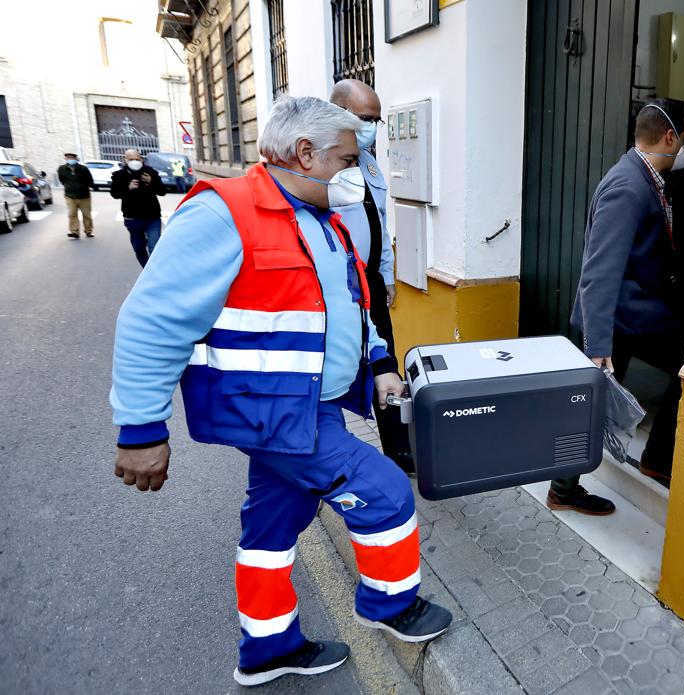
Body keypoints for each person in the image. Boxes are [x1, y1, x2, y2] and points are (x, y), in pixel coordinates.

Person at [110, 96, 451, 687]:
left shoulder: (323, 218)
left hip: (311, 408)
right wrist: (141, 430)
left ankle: (267, 647)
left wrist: (379, 364)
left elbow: (352, 303)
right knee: (387, 496)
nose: (354, 172)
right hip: (272, 414)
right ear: (305, 153)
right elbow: (151, 321)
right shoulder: (223, 214)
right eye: (347, 159)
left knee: (274, 524)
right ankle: (392, 606)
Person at [560, 99, 684, 509]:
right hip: (615, 321)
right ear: (669, 137)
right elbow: (599, 270)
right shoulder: (629, 185)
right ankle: (563, 487)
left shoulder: (644, 177)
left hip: (632, 316)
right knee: (589, 405)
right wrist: (598, 347)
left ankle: (655, 458)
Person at [329, 78, 413, 475]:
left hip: (371, 283)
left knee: (386, 361)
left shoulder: (369, 161)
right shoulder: (321, 162)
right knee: (337, 363)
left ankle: (398, 449)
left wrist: (387, 276)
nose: (371, 128)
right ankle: (331, 451)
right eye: (365, 118)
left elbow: (379, 221)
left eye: (376, 121)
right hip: (336, 284)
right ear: (337, 113)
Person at [110, 149, 167, 267]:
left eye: (137, 159)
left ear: (141, 159)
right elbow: (115, 194)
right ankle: (146, 268)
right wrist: (128, 188)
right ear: (125, 160)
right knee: (139, 247)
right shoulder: (120, 175)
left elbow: (162, 191)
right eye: (131, 159)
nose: (135, 162)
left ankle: (154, 271)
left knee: (154, 246)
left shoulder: (150, 172)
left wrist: (152, 182)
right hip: (132, 218)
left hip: (152, 217)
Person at [57, 152, 94, 239]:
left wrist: (84, 187)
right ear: (65, 159)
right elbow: (61, 180)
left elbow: (90, 180)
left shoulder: (83, 169)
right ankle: (74, 232)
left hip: (84, 196)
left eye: (72, 158)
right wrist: (68, 186)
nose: (70, 159)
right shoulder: (62, 169)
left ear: (76, 159)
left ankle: (88, 231)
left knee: (86, 214)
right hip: (70, 195)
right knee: (72, 214)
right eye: (68, 158)